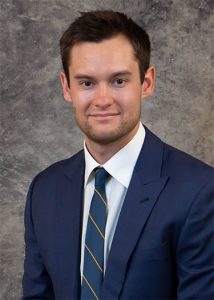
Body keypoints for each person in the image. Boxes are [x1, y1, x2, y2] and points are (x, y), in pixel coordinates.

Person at [22, 10, 214, 300]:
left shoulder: (199, 191)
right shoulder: (43, 191)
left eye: (119, 81)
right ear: (66, 87)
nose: (102, 100)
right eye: (87, 82)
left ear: (146, 82)